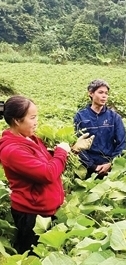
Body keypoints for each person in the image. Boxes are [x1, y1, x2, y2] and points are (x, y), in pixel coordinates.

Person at [0, 95, 94, 255]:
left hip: (45, 210)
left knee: (48, 254)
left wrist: (74, 149)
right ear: (17, 120)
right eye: (32, 117)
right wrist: (62, 151)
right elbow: (47, 173)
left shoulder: (30, 139)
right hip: (31, 214)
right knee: (34, 256)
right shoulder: (12, 150)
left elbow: (50, 164)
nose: (37, 121)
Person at [74, 79, 126, 179]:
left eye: (106, 93)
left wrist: (111, 162)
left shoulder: (114, 117)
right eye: (100, 92)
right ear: (91, 93)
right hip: (87, 168)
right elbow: (77, 145)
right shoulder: (80, 116)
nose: (104, 96)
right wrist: (92, 166)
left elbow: (122, 143)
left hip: (110, 168)